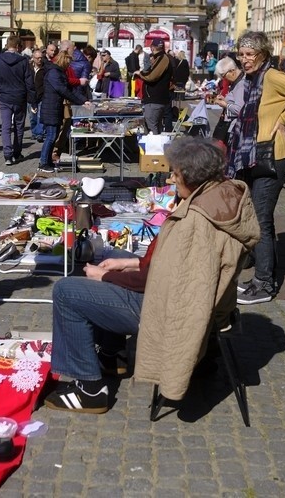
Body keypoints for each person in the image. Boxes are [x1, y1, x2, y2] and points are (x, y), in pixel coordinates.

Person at [43, 137, 260, 413]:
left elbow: (158, 281)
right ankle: (112, 356)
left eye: (176, 174)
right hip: (192, 301)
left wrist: (106, 277)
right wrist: (127, 264)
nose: (170, 178)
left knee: (66, 292)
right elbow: (167, 268)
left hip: (168, 309)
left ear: (193, 178)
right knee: (109, 258)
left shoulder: (195, 221)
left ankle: (90, 389)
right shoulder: (218, 196)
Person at [228, 31, 285, 305]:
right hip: (253, 156)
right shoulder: (251, 79)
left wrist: (284, 116)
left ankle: (265, 284)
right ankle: (259, 276)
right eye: (241, 55)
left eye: (250, 55)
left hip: (272, 157)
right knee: (254, 218)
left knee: (262, 221)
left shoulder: (271, 77)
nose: (244, 60)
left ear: (264, 55)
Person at [38, 50, 89, 173]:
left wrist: (83, 100)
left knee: (54, 136)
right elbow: (63, 90)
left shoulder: (59, 73)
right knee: (50, 137)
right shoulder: (54, 73)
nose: (69, 66)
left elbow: (70, 89)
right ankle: (43, 162)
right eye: (68, 63)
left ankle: (48, 161)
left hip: (55, 107)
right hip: (51, 108)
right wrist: (80, 101)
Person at [0, 35, 35, 166]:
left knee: (5, 126)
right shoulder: (23, 61)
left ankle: (7, 155)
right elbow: (29, 82)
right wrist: (32, 100)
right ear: (17, 46)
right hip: (19, 97)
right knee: (19, 126)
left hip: (4, 97)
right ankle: (17, 152)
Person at [134, 38, 172, 134]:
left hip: (155, 100)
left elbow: (152, 76)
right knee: (154, 127)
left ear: (152, 47)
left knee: (152, 129)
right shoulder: (159, 58)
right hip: (154, 100)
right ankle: (155, 146)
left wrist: (140, 73)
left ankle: (154, 148)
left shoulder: (163, 58)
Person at [212, 56, 245, 148]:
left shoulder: (241, 84)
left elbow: (239, 109)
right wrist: (224, 99)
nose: (224, 79)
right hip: (232, 126)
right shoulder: (237, 82)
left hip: (235, 127)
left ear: (232, 71)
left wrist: (225, 104)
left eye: (224, 76)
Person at [29, 49, 45, 143]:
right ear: (33, 58)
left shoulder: (44, 68)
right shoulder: (28, 68)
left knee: (40, 116)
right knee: (32, 117)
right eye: (37, 58)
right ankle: (34, 132)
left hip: (41, 95)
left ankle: (39, 134)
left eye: (41, 58)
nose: (39, 60)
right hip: (30, 96)